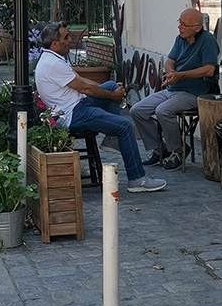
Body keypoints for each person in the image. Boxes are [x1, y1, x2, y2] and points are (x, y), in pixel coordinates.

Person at [35, 22, 166, 193]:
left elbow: (83, 82)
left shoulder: (53, 59)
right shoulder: (53, 64)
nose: (70, 39)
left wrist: (112, 91)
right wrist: (114, 96)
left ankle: (112, 139)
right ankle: (137, 180)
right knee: (125, 126)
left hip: (78, 105)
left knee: (110, 85)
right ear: (55, 44)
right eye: (66, 37)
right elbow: (86, 89)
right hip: (73, 114)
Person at [130, 8, 219, 169]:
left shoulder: (208, 41)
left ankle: (179, 150)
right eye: (179, 22)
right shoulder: (181, 39)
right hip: (173, 89)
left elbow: (209, 69)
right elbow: (170, 60)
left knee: (163, 111)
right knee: (137, 110)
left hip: (194, 92)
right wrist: (171, 72)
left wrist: (181, 75)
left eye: (184, 24)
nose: (180, 27)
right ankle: (160, 149)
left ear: (197, 28)